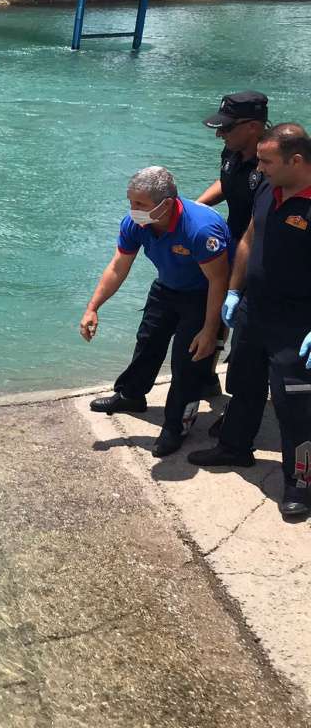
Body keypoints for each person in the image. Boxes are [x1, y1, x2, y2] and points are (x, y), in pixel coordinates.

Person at [187, 124, 311, 518]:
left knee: (296, 409)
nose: (258, 167)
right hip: (254, 310)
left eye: (266, 160)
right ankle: (235, 447)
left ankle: (301, 483)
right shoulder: (266, 185)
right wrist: (235, 290)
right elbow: (249, 237)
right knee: (243, 383)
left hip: (298, 322)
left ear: (296, 160)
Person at [80, 166, 231, 457]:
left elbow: (218, 280)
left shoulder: (200, 229)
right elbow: (118, 266)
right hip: (167, 287)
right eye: (131, 202)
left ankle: (177, 425)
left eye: (140, 204)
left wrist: (211, 329)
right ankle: (131, 395)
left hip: (202, 294)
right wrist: (92, 307)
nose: (133, 210)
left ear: (167, 203)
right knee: (147, 341)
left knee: (188, 361)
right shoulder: (135, 223)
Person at [197, 91, 270, 406]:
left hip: (261, 255)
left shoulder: (275, 162)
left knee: (247, 332)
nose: (219, 134)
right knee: (214, 312)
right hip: (230, 242)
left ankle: (242, 407)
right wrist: (193, 209)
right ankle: (207, 378)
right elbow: (226, 182)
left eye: (227, 128)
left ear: (253, 127)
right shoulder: (233, 152)